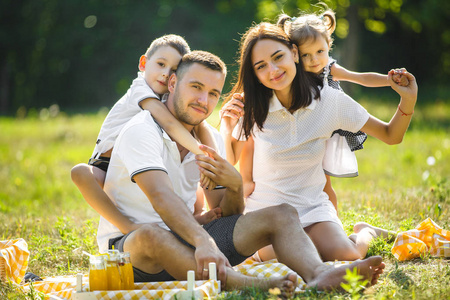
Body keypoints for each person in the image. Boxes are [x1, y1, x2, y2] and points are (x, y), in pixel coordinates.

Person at [95, 50, 385, 293]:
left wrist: (234, 186)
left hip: (191, 243)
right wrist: (203, 241)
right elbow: (160, 196)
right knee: (152, 235)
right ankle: (247, 284)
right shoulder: (142, 129)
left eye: (212, 93)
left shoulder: (208, 138)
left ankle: (320, 274)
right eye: (195, 87)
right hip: (131, 253)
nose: (203, 101)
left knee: (282, 214)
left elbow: (226, 215)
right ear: (172, 83)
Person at [220, 22, 417, 262]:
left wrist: (408, 99)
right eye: (261, 66)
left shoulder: (329, 101)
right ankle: (313, 248)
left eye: (278, 57)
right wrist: (227, 127)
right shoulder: (252, 108)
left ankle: (366, 231)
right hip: (266, 214)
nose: (273, 70)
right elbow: (230, 163)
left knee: (349, 255)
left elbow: (390, 135)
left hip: (313, 209)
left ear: (294, 54)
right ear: (256, 75)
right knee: (287, 258)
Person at [71, 34, 219, 234]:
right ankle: (127, 226)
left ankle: (195, 215)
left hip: (139, 165)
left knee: (184, 175)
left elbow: (202, 126)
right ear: (143, 63)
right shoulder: (140, 89)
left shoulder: (169, 94)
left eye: (173, 70)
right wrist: (204, 155)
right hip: (105, 166)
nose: (166, 74)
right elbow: (168, 123)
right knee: (80, 172)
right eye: (160, 64)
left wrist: (214, 162)